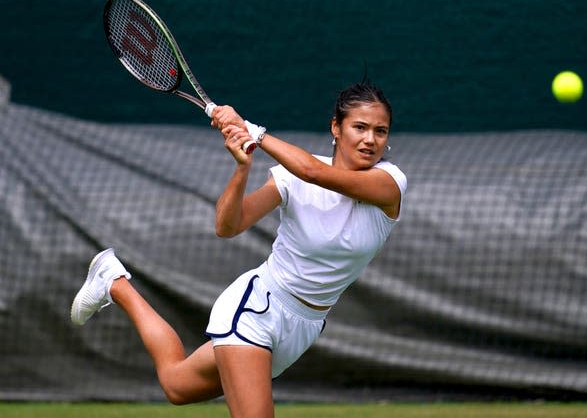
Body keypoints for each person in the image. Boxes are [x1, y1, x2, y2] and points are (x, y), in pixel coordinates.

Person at [70, 82, 407, 418]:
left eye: (380, 131)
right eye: (359, 127)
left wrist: (253, 131)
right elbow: (227, 227)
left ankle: (114, 281)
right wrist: (242, 169)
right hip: (257, 309)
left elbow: (313, 172)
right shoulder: (289, 179)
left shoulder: (389, 182)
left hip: (305, 326)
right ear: (336, 127)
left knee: (176, 384)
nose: (370, 140)